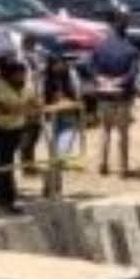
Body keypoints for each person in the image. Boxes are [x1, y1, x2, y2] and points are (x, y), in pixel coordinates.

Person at [0, 55, 39, 213]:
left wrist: (27, 107)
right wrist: (25, 108)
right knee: (2, 166)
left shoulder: (24, 86)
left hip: (16, 128)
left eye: (23, 73)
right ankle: (1, 199)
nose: (22, 76)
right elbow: (7, 106)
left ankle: (8, 199)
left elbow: (35, 102)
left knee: (8, 165)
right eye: (18, 73)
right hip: (0, 130)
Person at [87, 14, 140, 177]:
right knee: (122, 133)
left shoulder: (100, 46)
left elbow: (89, 66)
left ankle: (102, 163)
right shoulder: (131, 48)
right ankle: (123, 168)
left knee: (105, 130)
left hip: (104, 95)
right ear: (126, 28)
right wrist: (120, 81)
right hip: (122, 96)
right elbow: (133, 73)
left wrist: (99, 78)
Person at [38, 52, 83, 198]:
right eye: (56, 64)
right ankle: (52, 187)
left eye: (61, 63)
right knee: (50, 156)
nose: (60, 66)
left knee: (61, 155)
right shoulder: (43, 80)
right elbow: (40, 102)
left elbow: (78, 97)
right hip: (50, 120)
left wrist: (70, 102)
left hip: (68, 119)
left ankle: (53, 186)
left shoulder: (72, 77)